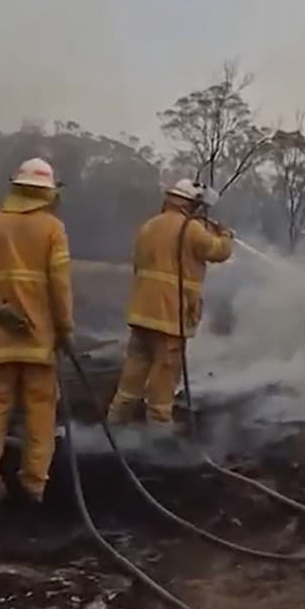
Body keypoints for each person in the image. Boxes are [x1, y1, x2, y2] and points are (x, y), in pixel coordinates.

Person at [0, 157, 74, 507]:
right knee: (40, 416)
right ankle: (33, 484)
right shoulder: (53, 229)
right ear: (48, 193)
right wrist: (65, 329)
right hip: (40, 345)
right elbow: (60, 286)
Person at [107, 179, 233, 431]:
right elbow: (218, 251)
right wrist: (226, 235)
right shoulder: (191, 229)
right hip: (170, 316)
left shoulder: (148, 226)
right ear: (191, 204)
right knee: (165, 374)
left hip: (142, 314)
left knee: (133, 371)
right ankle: (159, 428)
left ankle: (116, 421)